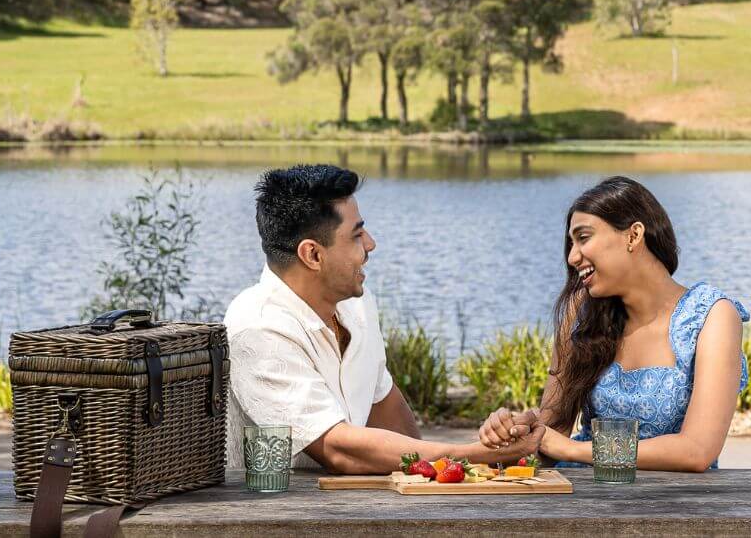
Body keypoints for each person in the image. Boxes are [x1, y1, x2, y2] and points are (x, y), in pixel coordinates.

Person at [225, 164, 542, 473]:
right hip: (278, 515)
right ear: (313, 255)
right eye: (357, 234)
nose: (371, 244)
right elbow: (339, 449)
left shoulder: (356, 306)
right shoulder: (257, 326)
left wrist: (460, 469)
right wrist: (474, 455)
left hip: (353, 508)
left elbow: (385, 408)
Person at [478, 175, 749, 472]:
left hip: (678, 505)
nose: (572, 257)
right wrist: (517, 429)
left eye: (583, 238)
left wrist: (574, 449)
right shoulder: (580, 312)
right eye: (570, 243)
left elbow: (696, 451)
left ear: (633, 236)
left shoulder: (712, 316)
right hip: (585, 496)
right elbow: (550, 434)